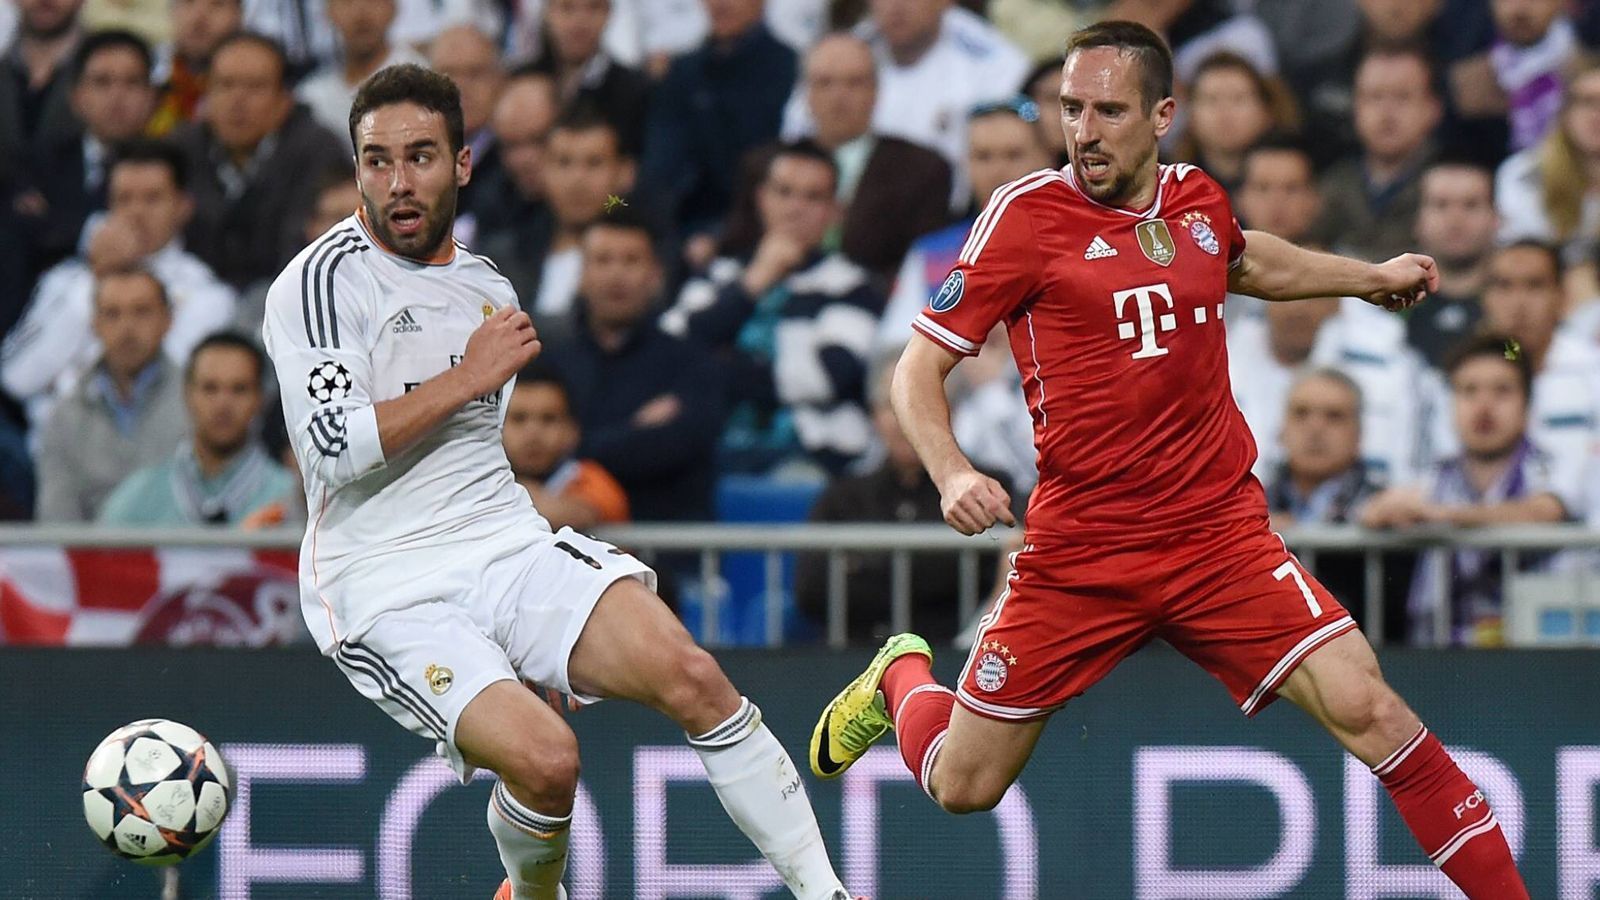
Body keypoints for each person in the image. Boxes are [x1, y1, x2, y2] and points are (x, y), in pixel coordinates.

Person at [810, 23, 1528, 899]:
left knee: (1372, 710)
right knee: (965, 786)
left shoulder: (1197, 198)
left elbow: (1242, 259)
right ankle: (903, 677)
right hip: (1083, 550)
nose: (1084, 130)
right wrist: (955, 471)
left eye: (1108, 110)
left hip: (1217, 536)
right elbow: (918, 368)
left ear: (1162, 115)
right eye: (1071, 109)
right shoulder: (1025, 218)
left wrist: (1366, 276)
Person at [260, 65, 853, 900]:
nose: (398, 182)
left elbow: (469, 456)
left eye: (421, 156)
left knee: (692, 675)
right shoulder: (320, 284)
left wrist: (518, 622)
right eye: (377, 160)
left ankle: (826, 892)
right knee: (547, 764)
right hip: (383, 580)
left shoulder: (487, 288)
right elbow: (330, 447)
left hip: (502, 543)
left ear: (464, 164)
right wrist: (468, 376)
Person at [664, 140, 883, 476]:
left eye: (813, 197)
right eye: (784, 192)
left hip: (814, 455)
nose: (795, 208)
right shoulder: (720, 274)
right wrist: (754, 284)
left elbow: (822, 379)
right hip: (708, 449)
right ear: (761, 198)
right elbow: (668, 350)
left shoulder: (854, 287)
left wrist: (716, 369)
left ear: (835, 211)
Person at [2, 139, 236, 428]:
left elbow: (164, 394)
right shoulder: (67, 281)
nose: (136, 212)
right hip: (50, 449)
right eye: (124, 199)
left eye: (152, 198)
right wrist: (95, 287)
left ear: (183, 207)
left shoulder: (207, 295)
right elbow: (17, 379)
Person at [1362, 334, 1578, 647]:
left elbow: (1543, 511)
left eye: (1502, 391)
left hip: (1537, 655)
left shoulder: (1555, 467)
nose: (1484, 406)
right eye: (1469, 391)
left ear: (1528, 404)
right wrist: (1391, 514)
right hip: (1443, 657)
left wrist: (1445, 517)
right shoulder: (1436, 476)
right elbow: (1374, 511)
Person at [795, 352, 1012, 643]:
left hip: (957, 661)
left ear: (955, 411)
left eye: (926, 402)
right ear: (873, 415)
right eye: (892, 404)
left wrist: (864, 568)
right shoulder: (841, 497)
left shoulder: (990, 489)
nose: (905, 419)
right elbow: (811, 592)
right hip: (859, 665)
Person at [543, 209, 726, 522]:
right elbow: (528, 447)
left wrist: (575, 444)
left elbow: (678, 444)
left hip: (671, 556)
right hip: (572, 559)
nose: (616, 275)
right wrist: (633, 430)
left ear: (655, 274)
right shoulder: (550, 363)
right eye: (603, 260)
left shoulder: (692, 362)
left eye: (630, 261)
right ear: (581, 275)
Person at [782, 0, 1028, 206]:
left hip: (955, 218)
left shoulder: (995, 65)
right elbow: (795, 141)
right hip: (843, 214)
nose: (896, 6)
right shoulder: (843, 55)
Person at [876, 97, 1054, 351]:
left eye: (1014, 155)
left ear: (1046, 159)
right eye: (983, 157)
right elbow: (894, 354)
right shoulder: (930, 254)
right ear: (966, 165)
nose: (998, 170)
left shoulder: (1081, 242)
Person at [173, 32, 347, 290]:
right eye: (226, 85)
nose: (237, 101)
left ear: (284, 100)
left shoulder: (319, 151)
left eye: (255, 87)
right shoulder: (179, 150)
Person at [1227, 292, 1429, 485]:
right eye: (1301, 414)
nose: (1315, 429)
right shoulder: (1257, 505)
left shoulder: (1381, 513)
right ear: (1281, 431)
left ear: (1360, 434)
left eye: (1334, 416)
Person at [35, 267, 186, 520]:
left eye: (141, 311)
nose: (126, 327)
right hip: (91, 557)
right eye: (112, 314)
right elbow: (56, 523)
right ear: (94, 324)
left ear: (168, 320)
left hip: (181, 556)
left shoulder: (199, 402)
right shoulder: (64, 417)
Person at [641, 0, 796, 245]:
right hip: (673, 229)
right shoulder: (681, 73)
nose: (721, 4)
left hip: (754, 233)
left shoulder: (789, 70)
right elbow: (657, 170)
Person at [99, 331, 294, 524]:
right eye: (210, 388)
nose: (222, 404)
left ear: (261, 398)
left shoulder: (293, 500)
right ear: (187, 394)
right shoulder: (136, 500)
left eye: (239, 389)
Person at [20, 29, 156, 272]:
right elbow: (25, 228)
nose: (117, 96)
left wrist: (59, 223)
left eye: (132, 82)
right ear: (76, 96)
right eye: (102, 82)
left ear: (151, 96)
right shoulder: (41, 161)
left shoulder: (168, 165)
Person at [481, 106, 635, 317]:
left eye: (594, 163)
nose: (577, 180)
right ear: (543, 170)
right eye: (564, 163)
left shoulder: (645, 258)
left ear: (623, 174)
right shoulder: (504, 257)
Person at [1316, 44, 1442, 263]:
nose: (1387, 112)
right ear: (1355, 107)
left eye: (1402, 97)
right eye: (1374, 97)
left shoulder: (1451, 184)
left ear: (1432, 108)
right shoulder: (1332, 185)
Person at [1496, 60, 1600, 290]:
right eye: (1586, 102)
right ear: (1564, 112)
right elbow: (1525, 259)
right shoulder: (1521, 175)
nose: (1596, 115)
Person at [502, 362, 629, 530]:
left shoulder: (590, 478)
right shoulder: (481, 474)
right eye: (519, 418)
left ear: (572, 430)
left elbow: (576, 515)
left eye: (548, 419)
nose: (533, 433)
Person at [525, 0, 649, 156]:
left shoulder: (634, 90)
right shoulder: (521, 79)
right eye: (567, 7)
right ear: (547, 13)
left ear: (609, 14)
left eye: (593, 7)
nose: (580, 20)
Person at [295, 0, 427, 145]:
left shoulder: (422, 80)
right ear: (328, 13)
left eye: (372, 1)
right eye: (348, 2)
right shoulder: (312, 98)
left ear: (393, 8)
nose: (361, 14)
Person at [1408, 158, 1497, 367]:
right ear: (1418, 220)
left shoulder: (1514, 302)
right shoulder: (1392, 303)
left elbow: (1517, 355)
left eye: (1471, 205)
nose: (1455, 219)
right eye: (1441, 205)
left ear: (1496, 218)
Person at [1169, 51, 1296, 195]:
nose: (1224, 113)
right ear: (1190, 113)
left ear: (1266, 110)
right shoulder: (1166, 187)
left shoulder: (1301, 174)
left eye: (1238, 99)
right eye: (1211, 100)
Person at [147, 0, 241, 136]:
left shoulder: (261, 74)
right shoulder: (145, 71)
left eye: (217, 4)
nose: (199, 17)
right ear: (171, 12)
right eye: (188, 2)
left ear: (239, 15)